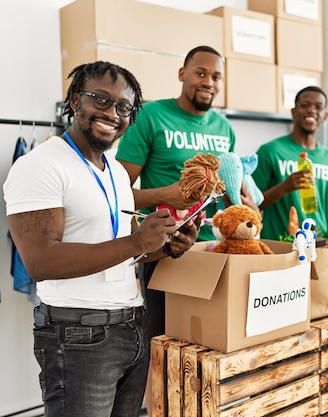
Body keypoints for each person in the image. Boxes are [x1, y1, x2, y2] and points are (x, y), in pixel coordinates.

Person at [3, 61, 199, 417]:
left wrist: (165, 247)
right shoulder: (41, 165)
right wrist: (137, 243)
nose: (113, 113)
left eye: (124, 107)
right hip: (77, 336)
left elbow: (122, 253)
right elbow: (40, 261)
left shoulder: (116, 172)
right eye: (101, 100)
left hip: (132, 328)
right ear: (76, 100)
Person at [114, 45, 240, 407]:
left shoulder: (224, 128)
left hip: (208, 253)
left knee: (205, 352)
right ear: (182, 73)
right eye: (200, 73)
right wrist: (167, 193)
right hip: (162, 253)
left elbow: (227, 186)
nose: (208, 82)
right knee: (161, 351)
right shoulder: (151, 116)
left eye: (216, 76)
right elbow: (116, 193)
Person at [252, 86, 328, 240]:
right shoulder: (270, 151)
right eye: (305, 105)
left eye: (318, 107)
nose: (311, 110)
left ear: (325, 116)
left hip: (319, 247)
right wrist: (284, 187)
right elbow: (251, 204)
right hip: (279, 246)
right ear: (293, 112)